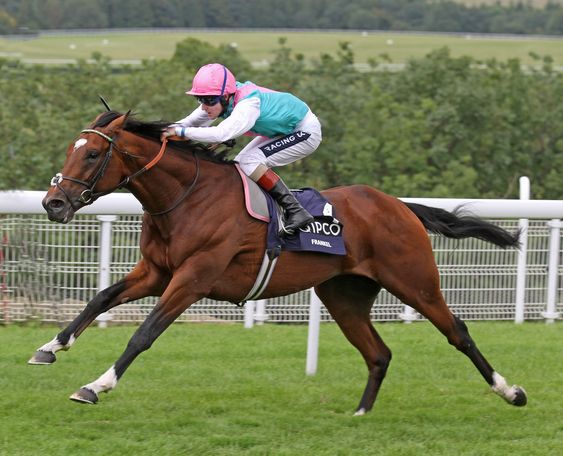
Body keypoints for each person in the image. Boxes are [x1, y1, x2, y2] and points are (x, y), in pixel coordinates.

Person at [161, 63, 322, 236]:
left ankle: (296, 211)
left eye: (208, 100)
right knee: (241, 162)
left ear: (225, 97)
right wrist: (160, 132)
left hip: (304, 131)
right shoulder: (223, 98)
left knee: (249, 161)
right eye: (200, 99)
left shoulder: (248, 104)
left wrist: (181, 132)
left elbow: (220, 134)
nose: (204, 106)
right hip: (282, 130)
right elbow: (187, 123)